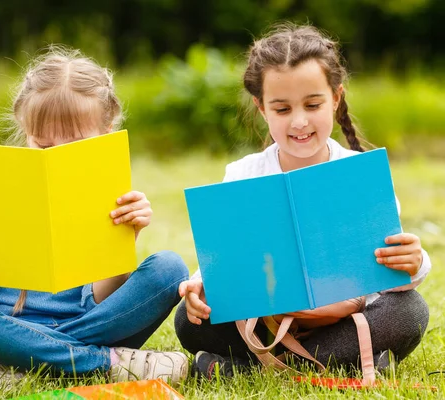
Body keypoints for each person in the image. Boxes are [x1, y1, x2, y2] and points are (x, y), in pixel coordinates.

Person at [174, 23, 431, 379]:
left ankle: (253, 369)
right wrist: (199, 284)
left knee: (410, 312)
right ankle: (336, 361)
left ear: (336, 98)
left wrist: (415, 262)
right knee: (189, 321)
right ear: (261, 108)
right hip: (267, 324)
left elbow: (391, 278)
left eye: (313, 104)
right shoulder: (243, 174)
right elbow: (225, 261)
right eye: (281, 109)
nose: (299, 121)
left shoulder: (361, 176)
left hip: (339, 320)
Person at [0, 47, 190, 387]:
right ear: (25, 130)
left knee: (170, 269)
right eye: (43, 145)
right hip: (9, 329)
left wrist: (124, 239)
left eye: (73, 146)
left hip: (95, 324)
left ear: (105, 133)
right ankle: (107, 363)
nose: (56, 159)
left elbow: (104, 298)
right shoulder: (0, 187)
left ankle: (23, 367)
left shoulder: (111, 197)